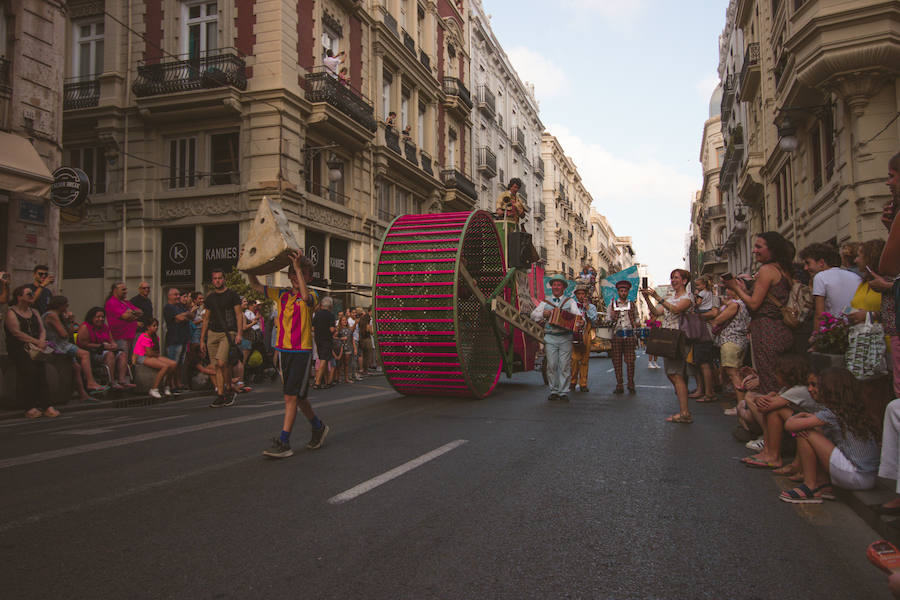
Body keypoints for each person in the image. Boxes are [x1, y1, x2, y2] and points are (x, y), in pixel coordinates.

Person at [246, 250, 329, 458]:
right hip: (284, 351)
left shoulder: (312, 296)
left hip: (301, 351)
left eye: (300, 273)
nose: (294, 276)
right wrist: (249, 266)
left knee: (290, 397)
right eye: (291, 273)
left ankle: (284, 441)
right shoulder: (281, 294)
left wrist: (299, 268)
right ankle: (318, 427)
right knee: (298, 398)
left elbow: (304, 296)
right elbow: (256, 285)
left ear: (308, 277)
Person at [780, 367, 880, 503]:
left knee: (805, 432)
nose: (811, 389)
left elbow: (790, 426)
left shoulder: (832, 413)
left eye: (817, 386)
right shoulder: (853, 409)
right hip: (869, 477)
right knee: (813, 429)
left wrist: (795, 418)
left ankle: (811, 486)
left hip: (856, 476)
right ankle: (823, 483)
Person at [724, 232, 796, 394]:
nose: (754, 251)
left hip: (766, 331)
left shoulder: (767, 270)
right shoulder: (783, 270)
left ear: (772, 249)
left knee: (769, 380)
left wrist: (735, 287)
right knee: (779, 379)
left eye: (759, 247)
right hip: (781, 329)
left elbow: (754, 304)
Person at [739, 355, 815, 469]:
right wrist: (761, 399)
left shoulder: (798, 390)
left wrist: (758, 399)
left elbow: (764, 408)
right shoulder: (786, 389)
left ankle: (773, 456)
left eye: (777, 374)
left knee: (775, 411)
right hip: (800, 425)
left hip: (809, 428)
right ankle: (767, 452)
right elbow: (768, 402)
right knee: (772, 409)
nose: (775, 377)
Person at [641, 270, 693, 423]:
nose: (673, 280)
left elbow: (676, 309)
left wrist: (657, 297)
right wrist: (647, 299)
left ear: (684, 281)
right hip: (669, 338)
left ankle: (685, 413)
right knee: (672, 374)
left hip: (679, 338)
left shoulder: (687, 297)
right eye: (671, 278)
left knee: (676, 374)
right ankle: (684, 407)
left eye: (676, 278)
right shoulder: (671, 297)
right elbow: (656, 312)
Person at [4, 286, 56, 418]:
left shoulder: (35, 311)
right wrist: (36, 342)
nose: (32, 295)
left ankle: (46, 405)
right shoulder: (11, 313)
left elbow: (42, 329)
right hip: (19, 348)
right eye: (28, 294)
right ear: (19, 297)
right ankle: (30, 406)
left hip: (36, 347)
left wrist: (41, 342)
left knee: (41, 370)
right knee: (30, 371)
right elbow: (16, 333)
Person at [43, 295, 108, 400]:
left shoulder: (59, 316)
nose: (67, 307)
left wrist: (70, 321)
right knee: (84, 354)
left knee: (77, 368)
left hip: (62, 344)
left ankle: (83, 394)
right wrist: (68, 321)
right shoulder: (52, 315)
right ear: (60, 305)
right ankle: (91, 382)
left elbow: (69, 333)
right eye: (66, 305)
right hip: (56, 344)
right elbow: (64, 334)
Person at [531, 273, 582, 402]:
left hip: (565, 337)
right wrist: (543, 313)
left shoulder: (570, 302)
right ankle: (553, 390)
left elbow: (578, 316)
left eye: (559, 284)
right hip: (550, 337)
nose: (556, 286)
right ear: (552, 287)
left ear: (563, 287)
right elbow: (533, 315)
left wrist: (577, 321)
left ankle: (563, 392)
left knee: (564, 365)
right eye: (554, 284)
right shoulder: (545, 302)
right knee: (551, 365)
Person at [200, 268, 243, 407]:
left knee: (221, 362)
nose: (217, 281)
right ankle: (221, 394)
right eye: (215, 279)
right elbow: (206, 318)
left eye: (220, 278)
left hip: (228, 332)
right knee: (216, 366)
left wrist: (239, 333)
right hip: (213, 333)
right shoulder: (210, 297)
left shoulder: (232, 295)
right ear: (212, 281)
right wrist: (202, 339)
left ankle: (229, 389)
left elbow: (238, 315)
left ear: (224, 279)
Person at [799, 242, 862, 333]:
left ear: (821, 262)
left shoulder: (820, 277)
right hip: (856, 330)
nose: (805, 268)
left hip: (835, 333)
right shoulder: (855, 276)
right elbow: (846, 306)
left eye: (808, 263)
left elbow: (819, 314)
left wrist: (816, 338)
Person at [711, 287, 750, 416]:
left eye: (729, 288)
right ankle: (742, 404)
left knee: (733, 374)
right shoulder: (744, 303)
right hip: (740, 340)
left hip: (731, 341)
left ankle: (740, 406)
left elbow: (718, 319)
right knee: (736, 373)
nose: (727, 290)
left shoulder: (735, 304)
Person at [77, 307, 132, 390]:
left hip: (105, 349)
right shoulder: (85, 327)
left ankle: (122, 380)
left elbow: (111, 340)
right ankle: (112, 382)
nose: (101, 319)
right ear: (92, 317)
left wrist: (113, 345)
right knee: (109, 355)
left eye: (102, 317)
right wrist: (100, 346)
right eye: (98, 317)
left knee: (122, 354)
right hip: (92, 352)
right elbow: (83, 344)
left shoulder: (105, 327)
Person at [133, 318, 177, 399]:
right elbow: (149, 353)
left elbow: (155, 351)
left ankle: (166, 385)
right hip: (143, 356)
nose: (156, 327)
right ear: (148, 327)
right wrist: (155, 354)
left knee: (173, 364)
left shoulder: (155, 337)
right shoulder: (144, 336)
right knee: (165, 366)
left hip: (153, 355)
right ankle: (154, 388)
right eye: (154, 326)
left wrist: (155, 355)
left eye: (157, 326)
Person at [608, 280, 638, 394]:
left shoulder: (632, 304)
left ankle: (631, 383)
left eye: (625, 291)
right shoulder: (612, 305)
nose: (623, 293)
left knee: (630, 361)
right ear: (618, 292)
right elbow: (607, 320)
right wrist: (611, 317)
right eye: (621, 291)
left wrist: (637, 323)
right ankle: (619, 384)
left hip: (629, 334)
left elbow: (637, 318)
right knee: (617, 361)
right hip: (617, 335)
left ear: (628, 292)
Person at [162, 287, 194, 392]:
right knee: (173, 363)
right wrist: (184, 316)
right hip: (174, 340)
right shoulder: (168, 307)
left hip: (183, 338)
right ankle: (170, 384)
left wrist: (183, 315)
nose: (178, 297)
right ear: (169, 296)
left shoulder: (180, 307)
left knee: (180, 363)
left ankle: (178, 383)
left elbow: (191, 315)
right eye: (175, 295)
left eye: (178, 295)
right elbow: (181, 318)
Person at [570, 284, 598, 393]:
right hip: (575, 333)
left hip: (586, 333)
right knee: (574, 359)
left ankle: (583, 383)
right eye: (579, 294)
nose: (581, 296)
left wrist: (587, 308)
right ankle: (572, 381)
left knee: (585, 360)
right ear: (576, 295)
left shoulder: (592, 307)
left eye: (583, 294)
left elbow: (594, 319)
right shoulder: (573, 306)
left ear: (586, 295)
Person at [104, 281, 143, 357]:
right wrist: (133, 315)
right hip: (121, 337)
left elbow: (140, 312)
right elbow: (126, 316)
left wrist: (131, 313)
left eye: (126, 289)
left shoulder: (126, 302)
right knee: (123, 360)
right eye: (123, 290)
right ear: (115, 290)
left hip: (131, 336)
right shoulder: (112, 302)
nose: (126, 292)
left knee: (132, 360)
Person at [312, 296, 336, 389]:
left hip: (318, 339)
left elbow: (313, 327)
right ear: (330, 306)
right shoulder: (330, 315)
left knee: (323, 358)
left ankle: (327, 381)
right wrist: (334, 330)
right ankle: (317, 382)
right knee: (324, 359)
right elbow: (331, 329)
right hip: (327, 339)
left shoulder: (317, 314)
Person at [336, 314, 354, 384]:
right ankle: (338, 377)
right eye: (343, 320)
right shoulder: (338, 329)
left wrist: (354, 348)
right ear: (340, 321)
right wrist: (341, 338)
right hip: (340, 347)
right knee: (340, 363)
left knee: (346, 363)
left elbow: (352, 339)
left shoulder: (349, 329)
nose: (345, 321)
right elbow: (334, 337)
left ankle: (346, 378)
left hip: (348, 347)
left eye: (346, 320)